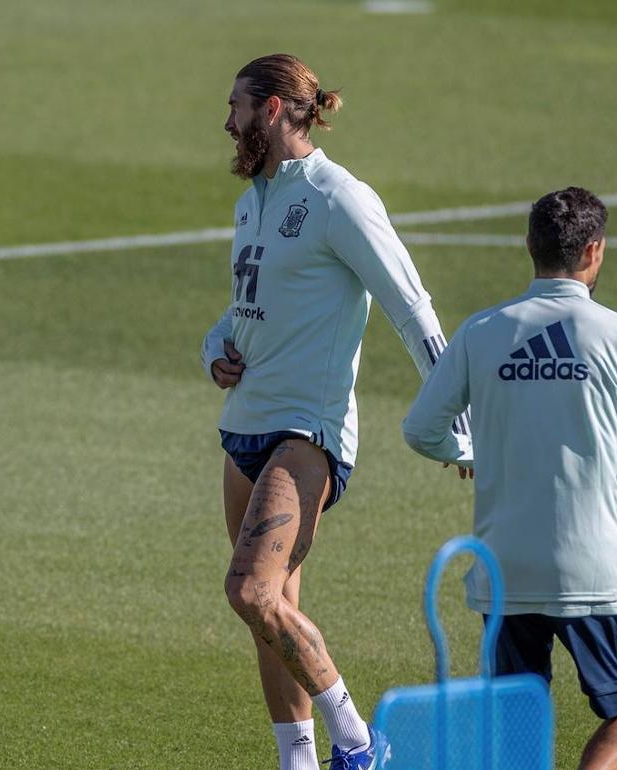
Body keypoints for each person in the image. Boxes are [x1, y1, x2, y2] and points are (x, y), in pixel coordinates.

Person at [201, 53, 471, 770]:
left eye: (236, 107)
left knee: (249, 590)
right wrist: (215, 348)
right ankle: (300, 765)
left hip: (306, 434)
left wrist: (459, 421)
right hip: (245, 425)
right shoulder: (251, 198)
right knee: (270, 617)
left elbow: (410, 305)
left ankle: (359, 744)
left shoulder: (339, 197)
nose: (226, 123)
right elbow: (245, 311)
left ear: (275, 109)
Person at [403, 187, 617, 770]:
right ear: (593, 251)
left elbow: (420, 430)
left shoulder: (482, 331)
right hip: (594, 573)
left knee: (515, 730)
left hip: (503, 573)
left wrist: (470, 453)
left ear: (529, 246)